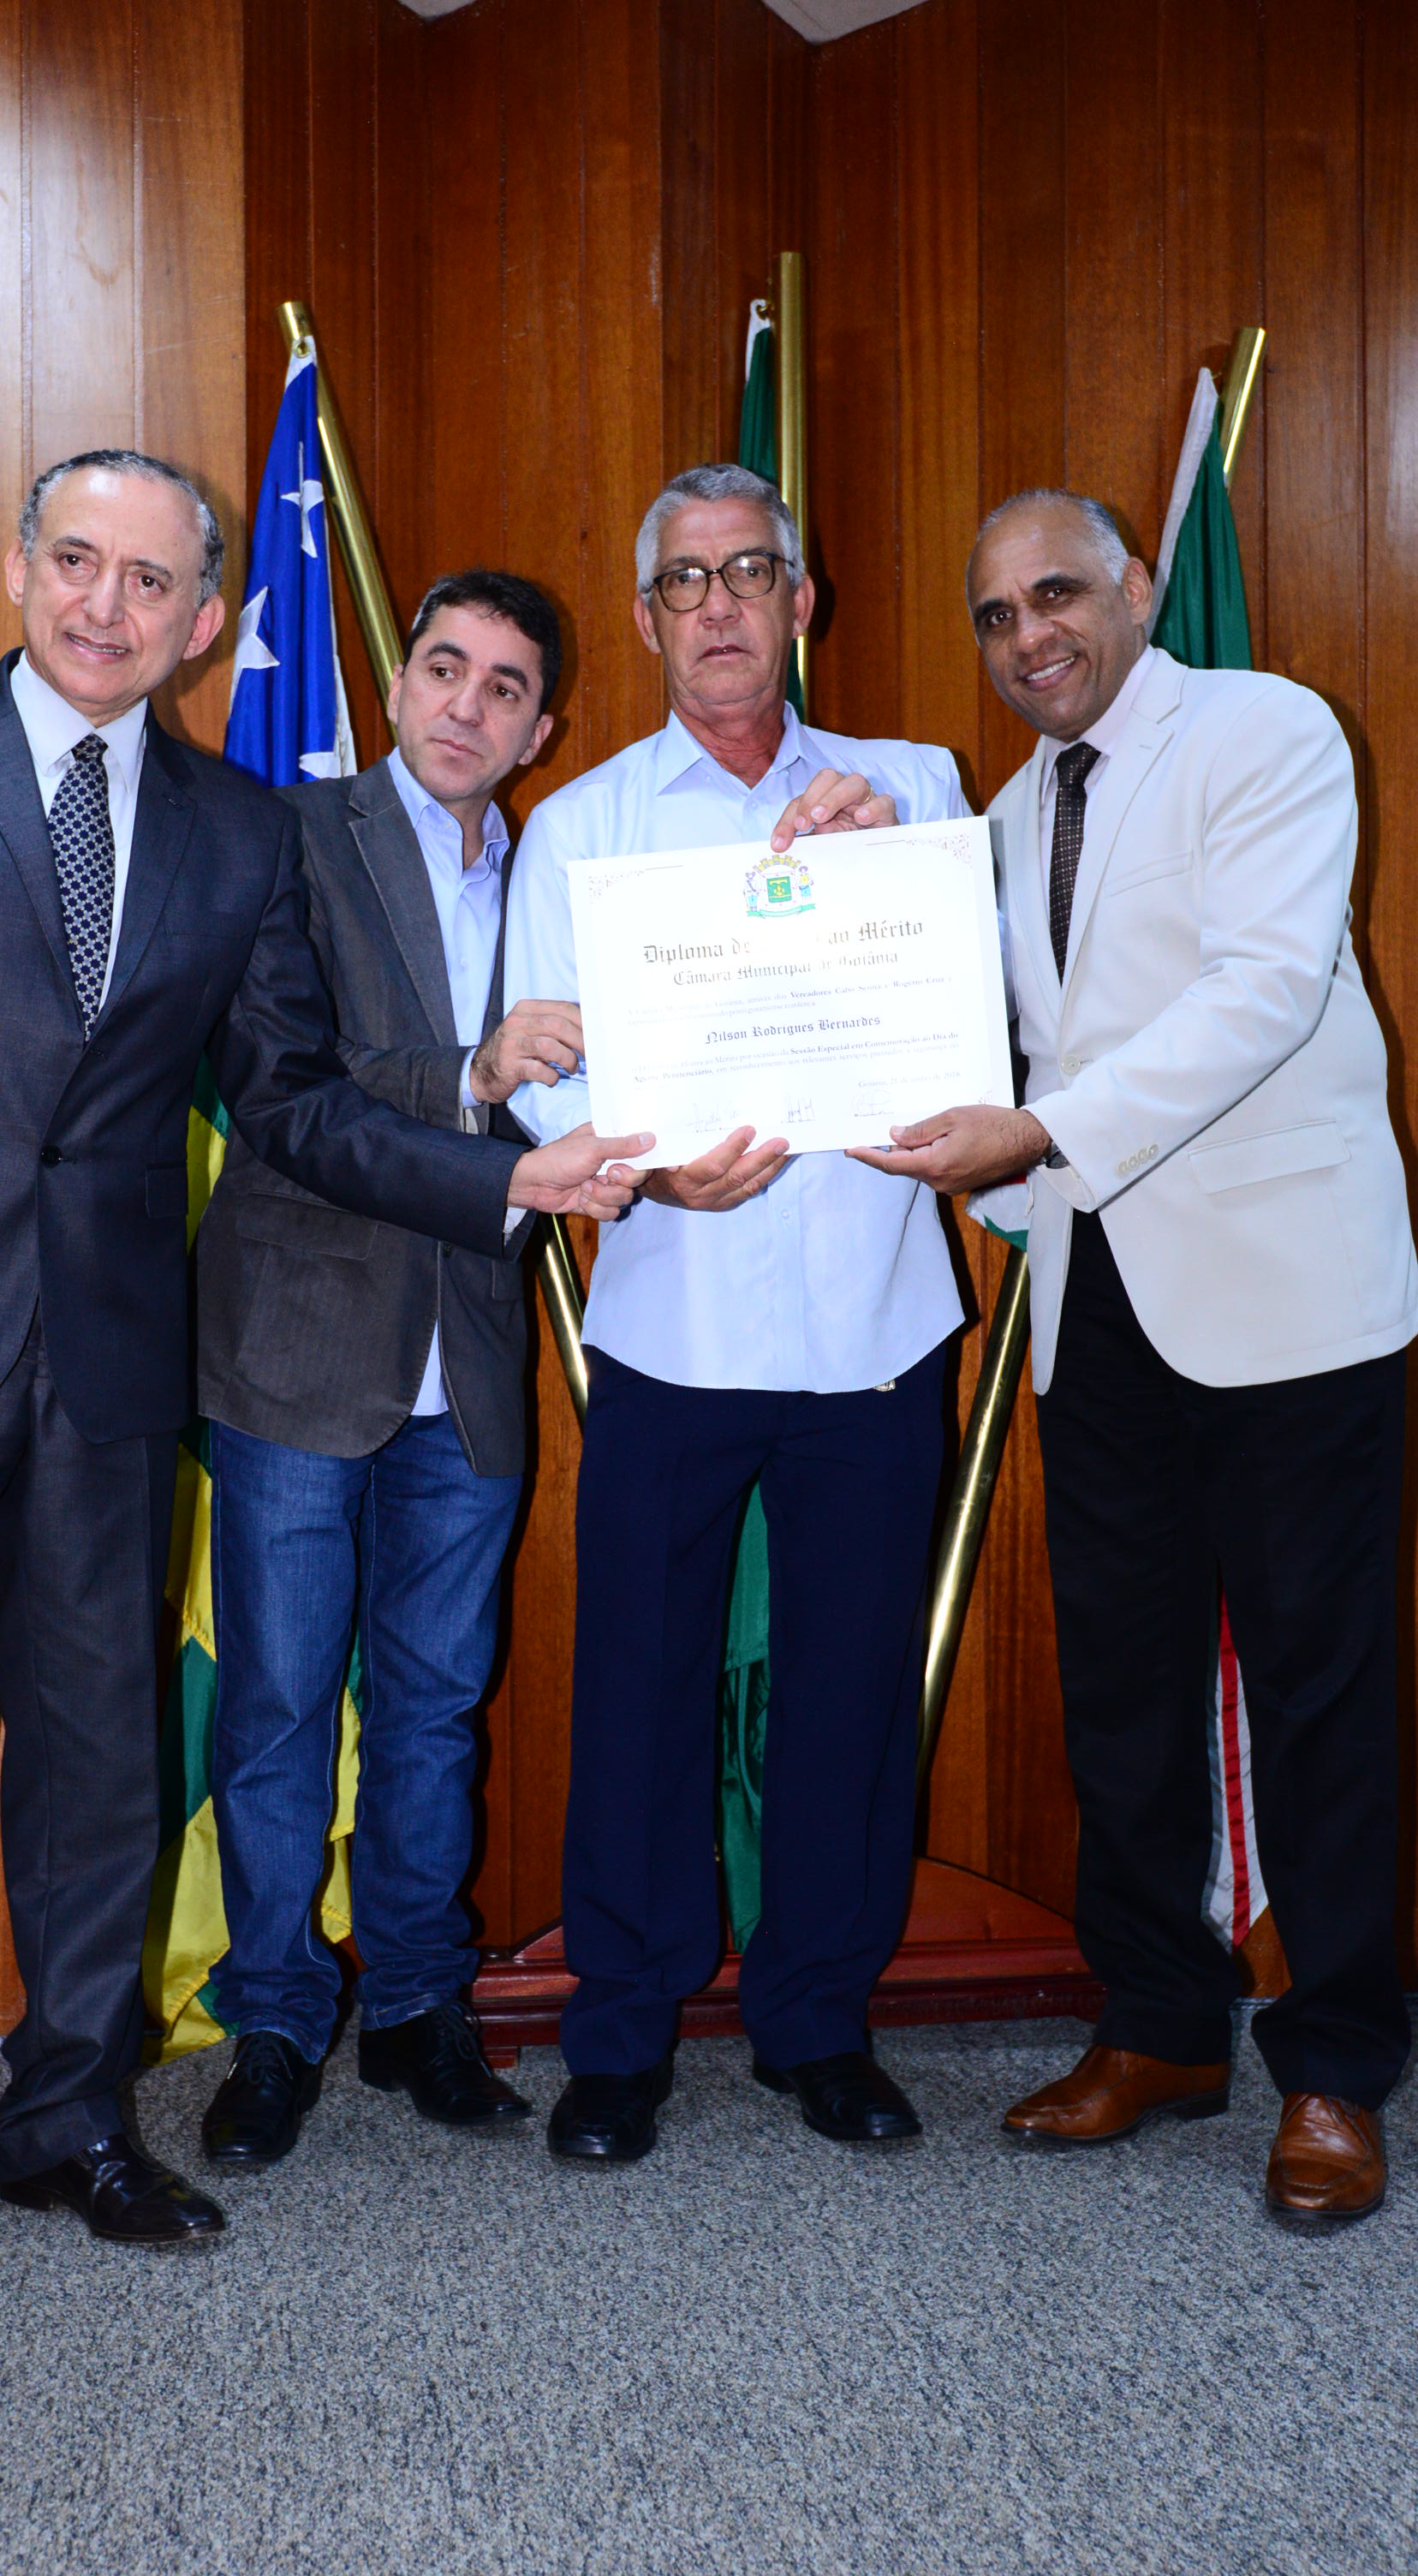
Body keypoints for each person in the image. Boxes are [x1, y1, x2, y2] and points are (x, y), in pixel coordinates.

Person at [0, 450, 642, 2306]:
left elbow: (291, 1101)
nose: (106, 604)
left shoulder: (238, 832)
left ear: (205, 622)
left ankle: (72, 2119)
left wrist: (502, 1179)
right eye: (77, 560)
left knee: (99, 1761)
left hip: (114, 1373)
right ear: (18, 568)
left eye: (150, 582)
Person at [852, 486, 1416, 2227]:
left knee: (1318, 1694)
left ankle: (1332, 2065)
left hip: (1287, 1301)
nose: (1028, 637)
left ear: (1136, 587)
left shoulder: (1264, 732)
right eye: (994, 614)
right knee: (1122, 1693)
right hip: (1095, 1305)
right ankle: (1161, 2023)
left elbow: (1262, 993)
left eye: (1057, 594)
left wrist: (1031, 1134)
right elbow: (977, 1035)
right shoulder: (1006, 817)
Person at [502, 461, 968, 2165]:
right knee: (640, 1684)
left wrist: (898, 861)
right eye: (685, 581)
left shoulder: (910, 786)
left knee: (850, 1689)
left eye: (749, 572)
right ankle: (620, 2032)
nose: (718, 606)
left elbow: (977, 1005)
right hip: (671, 1323)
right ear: (646, 620)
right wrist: (641, 1169)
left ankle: (817, 2021)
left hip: (873, 1325)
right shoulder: (585, 827)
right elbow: (538, 1077)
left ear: (798, 601)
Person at [194, 570, 586, 2163]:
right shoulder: (288, 836)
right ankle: (276, 2017)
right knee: (280, 1707)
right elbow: (280, 1087)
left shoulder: (564, 873)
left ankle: (419, 2005)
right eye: (444, 668)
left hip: (471, 1358)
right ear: (398, 678)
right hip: (299, 1347)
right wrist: (472, 1076)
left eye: (505, 688)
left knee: (435, 1709)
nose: (466, 707)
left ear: (540, 729)